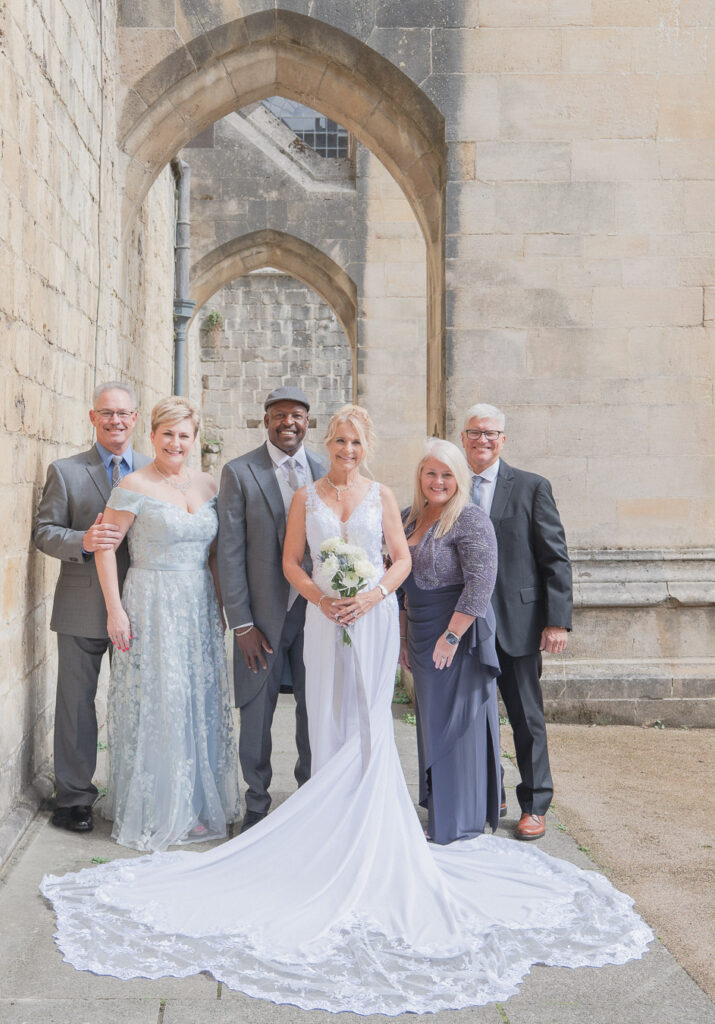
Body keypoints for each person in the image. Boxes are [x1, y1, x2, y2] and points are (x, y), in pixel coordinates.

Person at [42, 404, 650, 1016]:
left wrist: (372, 595)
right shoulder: (305, 496)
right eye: (338, 440)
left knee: (368, 721)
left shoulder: (386, 495)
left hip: (375, 620)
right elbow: (289, 563)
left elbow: (400, 558)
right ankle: (325, 827)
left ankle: (370, 820)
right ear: (325, 443)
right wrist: (324, 597)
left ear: (366, 445)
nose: (347, 449)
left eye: (355, 441)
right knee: (325, 717)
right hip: (324, 621)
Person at [94, 396, 240, 850]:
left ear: (194, 440)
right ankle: (160, 806)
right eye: (167, 434)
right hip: (152, 602)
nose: (175, 443)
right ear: (152, 436)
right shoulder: (134, 484)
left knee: (198, 696)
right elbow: (104, 546)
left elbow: (215, 554)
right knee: (162, 698)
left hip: (197, 604)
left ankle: (196, 805)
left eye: (184, 435)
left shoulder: (209, 485)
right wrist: (115, 610)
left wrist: (219, 606)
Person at [33, 382, 150, 833]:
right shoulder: (65, 471)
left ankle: (136, 791)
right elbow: (44, 531)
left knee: (139, 702)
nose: (115, 421)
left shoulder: (153, 468)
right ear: (92, 417)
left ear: (135, 419)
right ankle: (75, 798)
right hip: (82, 604)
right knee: (76, 704)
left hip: (141, 604)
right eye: (107, 413)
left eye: (123, 413)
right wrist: (80, 541)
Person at [461, 402, 573, 841]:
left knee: (526, 717)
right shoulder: (449, 485)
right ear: (464, 438)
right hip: (464, 625)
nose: (483, 440)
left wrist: (557, 621)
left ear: (502, 440)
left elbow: (555, 557)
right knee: (472, 715)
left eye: (491, 433)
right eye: (475, 433)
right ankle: (491, 794)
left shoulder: (530, 487)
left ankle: (534, 803)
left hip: (519, 623)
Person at [216, 386, 325, 832]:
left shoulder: (324, 469)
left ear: (307, 421)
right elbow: (229, 553)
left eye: (297, 416)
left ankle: (309, 797)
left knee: (312, 708)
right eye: (279, 415)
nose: (288, 423)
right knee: (256, 712)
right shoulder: (240, 472)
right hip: (261, 616)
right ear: (265, 421)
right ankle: (256, 803)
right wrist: (242, 625)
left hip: (315, 614)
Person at [398, 438, 501, 844]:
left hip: (457, 635)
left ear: (459, 478)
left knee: (458, 726)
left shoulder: (471, 520)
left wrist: (452, 636)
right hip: (421, 633)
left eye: (447, 474)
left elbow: (480, 585)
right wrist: (405, 637)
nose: (438, 481)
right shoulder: (407, 518)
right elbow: (404, 589)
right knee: (432, 724)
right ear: (420, 476)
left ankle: (458, 822)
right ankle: (440, 812)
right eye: (430, 473)